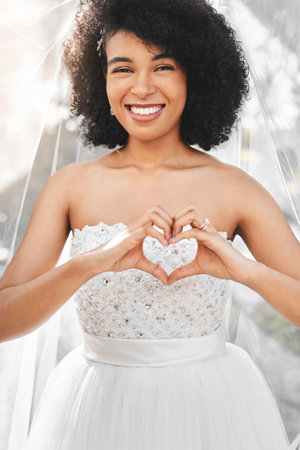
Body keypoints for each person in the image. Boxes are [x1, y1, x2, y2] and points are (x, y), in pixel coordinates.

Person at [0, 0, 300, 448]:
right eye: (123, 68)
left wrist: (244, 270)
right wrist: (90, 264)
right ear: (98, 78)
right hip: (95, 412)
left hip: (210, 410)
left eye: (163, 67)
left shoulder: (236, 190)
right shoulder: (70, 188)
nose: (141, 87)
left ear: (194, 75)